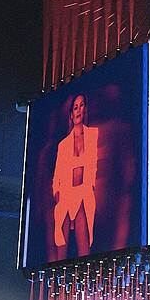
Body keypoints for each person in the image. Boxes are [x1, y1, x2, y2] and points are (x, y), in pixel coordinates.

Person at [53, 93, 98, 259]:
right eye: (75, 107)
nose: (78, 110)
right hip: (65, 195)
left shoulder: (93, 136)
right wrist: (58, 195)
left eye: (81, 105)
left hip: (83, 193)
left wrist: (89, 188)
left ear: (86, 109)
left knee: (84, 247)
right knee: (61, 248)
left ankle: (87, 281)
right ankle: (60, 281)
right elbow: (57, 176)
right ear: (71, 114)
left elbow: (93, 166)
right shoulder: (63, 145)